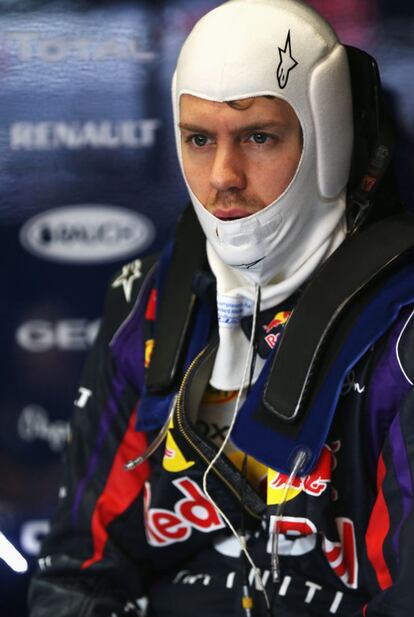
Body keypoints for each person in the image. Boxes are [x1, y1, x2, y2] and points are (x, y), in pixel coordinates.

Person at [28, 0, 414, 616]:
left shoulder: (403, 331)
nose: (223, 176)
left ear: (328, 134)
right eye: (199, 139)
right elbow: (79, 572)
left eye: (259, 136)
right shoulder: (149, 303)